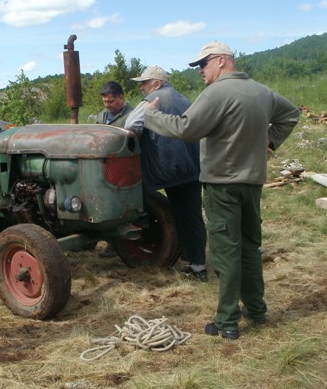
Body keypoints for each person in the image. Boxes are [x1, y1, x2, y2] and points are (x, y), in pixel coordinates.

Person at [143, 42, 299, 339]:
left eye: (203, 64)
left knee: (226, 253)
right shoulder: (261, 91)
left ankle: (227, 320)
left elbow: (187, 128)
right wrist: (270, 141)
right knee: (250, 248)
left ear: (221, 61)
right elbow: (290, 115)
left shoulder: (216, 93)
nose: (201, 71)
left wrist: (151, 116)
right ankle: (256, 309)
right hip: (252, 184)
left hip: (222, 186)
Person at [124, 66, 207, 281]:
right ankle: (197, 264)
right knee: (191, 216)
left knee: (132, 188)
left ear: (157, 83)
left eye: (145, 83)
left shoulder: (155, 99)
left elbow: (131, 124)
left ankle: (142, 228)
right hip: (191, 167)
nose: (142, 87)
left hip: (168, 168)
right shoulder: (184, 99)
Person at [94, 81, 134, 258]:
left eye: (110, 101)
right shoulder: (103, 115)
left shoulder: (131, 116)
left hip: (124, 167)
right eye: (104, 102)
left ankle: (114, 245)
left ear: (121, 97)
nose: (107, 105)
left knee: (117, 204)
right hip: (103, 165)